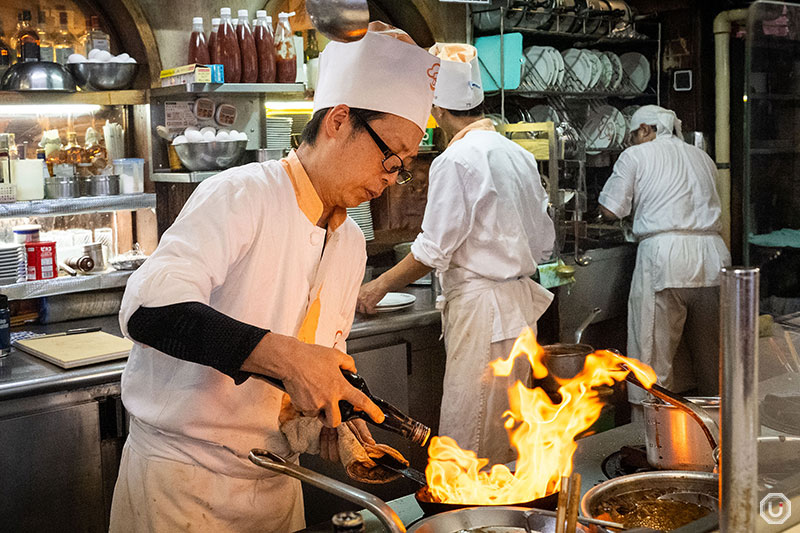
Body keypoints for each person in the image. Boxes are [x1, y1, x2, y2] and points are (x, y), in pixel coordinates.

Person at [109, 24, 440, 532]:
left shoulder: (349, 241)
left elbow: (314, 369)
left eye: (402, 168)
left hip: (278, 484)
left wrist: (333, 421)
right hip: (182, 489)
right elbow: (150, 311)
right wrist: (291, 360)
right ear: (339, 120)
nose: (390, 177)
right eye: (388, 156)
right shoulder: (242, 195)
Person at [358, 43, 555, 465]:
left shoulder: (456, 159)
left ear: (437, 109)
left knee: (468, 439)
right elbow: (543, 244)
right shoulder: (518, 154)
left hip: (483, 315)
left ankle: (466, 524)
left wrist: (374, 289)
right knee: (505, 439)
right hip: (519, 313)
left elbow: (431, 250)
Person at [598, 105, 731, 413]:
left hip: (665, 258)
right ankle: (717, 437)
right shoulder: (703, 158)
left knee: (652, 359)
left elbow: (610, 209)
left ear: (646, 129)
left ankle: (654, 443)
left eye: (633, 135)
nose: (631, 142)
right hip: (713, 257)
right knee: (714, 359)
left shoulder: (635, 156)